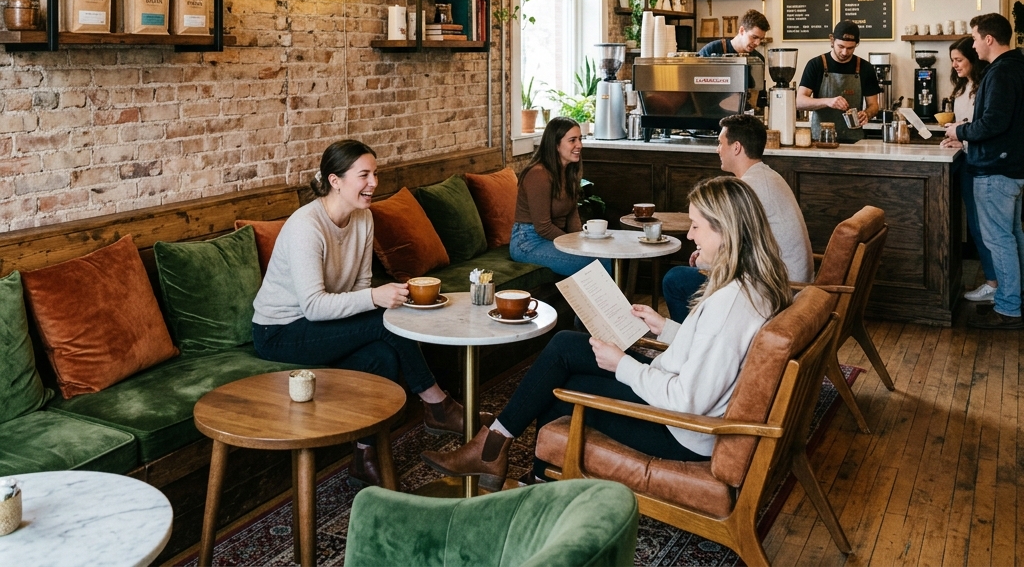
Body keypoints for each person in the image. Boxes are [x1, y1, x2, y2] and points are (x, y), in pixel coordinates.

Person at [421, 175, 792, 490]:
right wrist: (665, 328)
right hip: (679, 402)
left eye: (697, 226)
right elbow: (717, 353)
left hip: (682, 430)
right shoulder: (752, 285)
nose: (691, 234)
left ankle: (516, 471)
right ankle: (495, 450)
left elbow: (688, 400)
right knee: (567, 346)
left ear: (726, 231)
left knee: (558, 394)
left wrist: (622, 366)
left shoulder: (729, 304)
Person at [252, 140, 484, 488]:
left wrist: (376, 296)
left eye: (375, 174)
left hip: (321, 323)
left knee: (381, 355)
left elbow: (360, 286)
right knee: (384, 321)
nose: (373, 183)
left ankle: (364, 457)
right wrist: (376, 298)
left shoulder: (363, 218)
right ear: (335, 180)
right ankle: (437, 403)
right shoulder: (307, 227)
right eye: (364, 175)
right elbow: (314, 305)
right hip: (280, 331)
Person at [661, 114, 813, 321]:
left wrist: (705, 262)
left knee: (675, 279)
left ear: (737, 147)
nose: (717, 149)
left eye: (720, 143)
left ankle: (687, 345)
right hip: (785, 281)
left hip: (779, 290)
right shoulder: (769, 176)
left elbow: (734, 246)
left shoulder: (748, 188)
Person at [943, 14, 1024, 329]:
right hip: (1013, 167)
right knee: (1013, 236)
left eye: (975, 38)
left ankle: (1008, 309)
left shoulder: (1000, 73)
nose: (973, 43)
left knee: (999, 240)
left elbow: (994, 122)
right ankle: (1014, 298)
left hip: (995, 168)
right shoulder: (1017, 66)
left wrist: (960, 131)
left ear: (989, 39)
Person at [510, 116, 611, 277]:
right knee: (597, 263)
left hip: (553, 238)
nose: (579, 145)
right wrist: (573, 245)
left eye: (580, 139)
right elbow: (543, 227)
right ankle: (612, 303)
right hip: (528, 242)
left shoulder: (569, 172)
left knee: (606, 255)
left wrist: (581, 241)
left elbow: (572, 215)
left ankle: (606, 303)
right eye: (572, 140)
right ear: (556, 145)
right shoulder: (538, 175)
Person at [940, 38, 995, 303]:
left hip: (979, 162)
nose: (955, 65)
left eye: (959, 60)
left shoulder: (986, 85)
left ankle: (994, 283)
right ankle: (995, 281)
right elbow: (968, 127)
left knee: (982, 226)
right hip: (966, 159)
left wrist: (962, 135)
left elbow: (984, 127)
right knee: (975, 224)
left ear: (973, 59)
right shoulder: (963, 88)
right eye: (953, 60)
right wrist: (958, 138)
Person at [796, 20, 881, 143]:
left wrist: (867, 114)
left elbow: (874, 106)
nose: (845, 52)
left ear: (857, 44)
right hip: (821, 140)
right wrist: (828, 101)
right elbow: (799, 102)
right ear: (832, 40)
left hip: (854, 141)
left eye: (850, 48)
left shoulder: (865, 68)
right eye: (841, 46)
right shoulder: (816, 65)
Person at [697, 9, 769, 61]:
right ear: (742, 30)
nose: (757, 43)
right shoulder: (712, 49)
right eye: (754, 37)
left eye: (761, 39)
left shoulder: (758, 59)